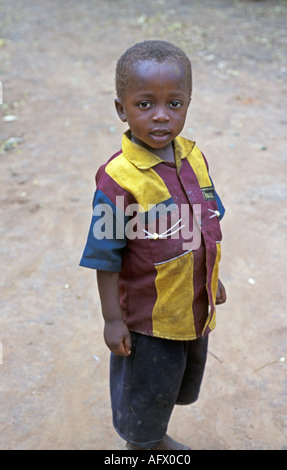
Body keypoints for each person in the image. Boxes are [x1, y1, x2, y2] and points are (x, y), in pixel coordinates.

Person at [80, 40, 226, 450]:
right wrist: (112, 319)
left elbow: (207, 224)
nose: (162, 115)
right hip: (148, 319)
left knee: (176, 380)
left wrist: (211, 279)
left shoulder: (193, 159)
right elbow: (105, 256)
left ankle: (153, 433)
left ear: (188, 102)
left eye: (174, 103)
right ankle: (145, 446)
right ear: (121, 109)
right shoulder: (120, 179)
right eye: (145, 104)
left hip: (191, 306)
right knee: (147, 390)